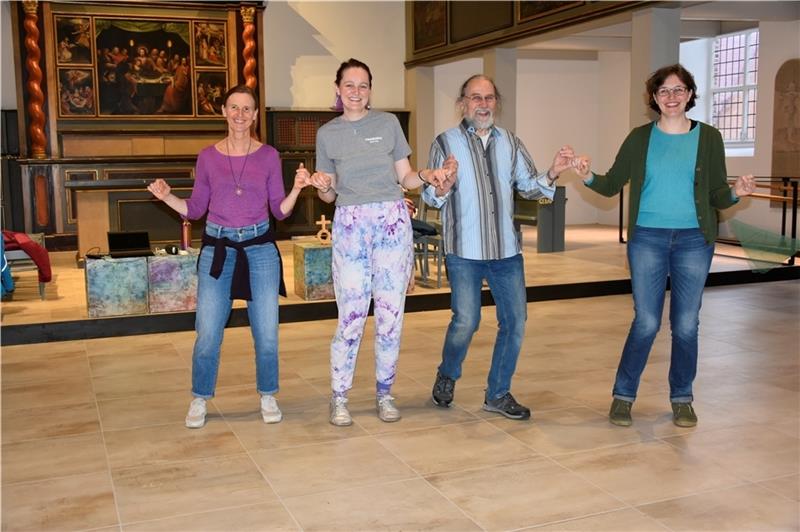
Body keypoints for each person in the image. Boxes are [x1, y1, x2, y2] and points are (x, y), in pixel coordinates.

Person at [573, 63, 756, 428]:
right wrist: (586, 175)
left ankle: (682, 397)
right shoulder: (640, 138)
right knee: (646, 321)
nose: (671, 97)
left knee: (686, 324)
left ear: (690, 94)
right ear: (654, 98)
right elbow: (611, 184)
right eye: (663, 92)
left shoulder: (709, 137)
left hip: (693, 240)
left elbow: (718, 193)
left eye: (678, 90)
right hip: (648, 238)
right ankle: (623, 395)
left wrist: (736, 192)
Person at [147, 85, 307, 428]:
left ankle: (268, 394)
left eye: (247, 109)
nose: (240, 115)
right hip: (218, 249)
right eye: (233, 108)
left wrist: (296, 188)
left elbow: (279, 212)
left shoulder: (268, 156)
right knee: (207, 331)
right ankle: (200, 397)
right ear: (223, 111)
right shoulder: (207, 156)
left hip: (260, 249)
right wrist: (165, 197)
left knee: (266, 331)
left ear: (254, 115)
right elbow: (194, 208)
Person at [309, 58, 456, 426]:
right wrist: (323, 187)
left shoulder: (389, 124)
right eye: (349, 85)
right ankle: (339, 396)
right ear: (338, 89)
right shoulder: (327, 133)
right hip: (350, 225)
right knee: (352, 316)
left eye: (363, 85)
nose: (356, 92)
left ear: (370, 90)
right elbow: (328, 194)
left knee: (391, 315)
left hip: (391, 222)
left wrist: (427, 174)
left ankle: (384, 393)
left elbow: (405, 177)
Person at [424, 74, 576, 420]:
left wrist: (552, 172)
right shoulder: (444, 143)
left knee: (515, 322)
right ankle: (447, 374)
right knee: (466, 321)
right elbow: (431, 196)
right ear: (463, 102)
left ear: (496, 102)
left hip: (506, 252)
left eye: (489, 98)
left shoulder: (510, 141)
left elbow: (529, 187)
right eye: (475, 98)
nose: (482, 104)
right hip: (464, 251)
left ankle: (497, 392)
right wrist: (443, 184)